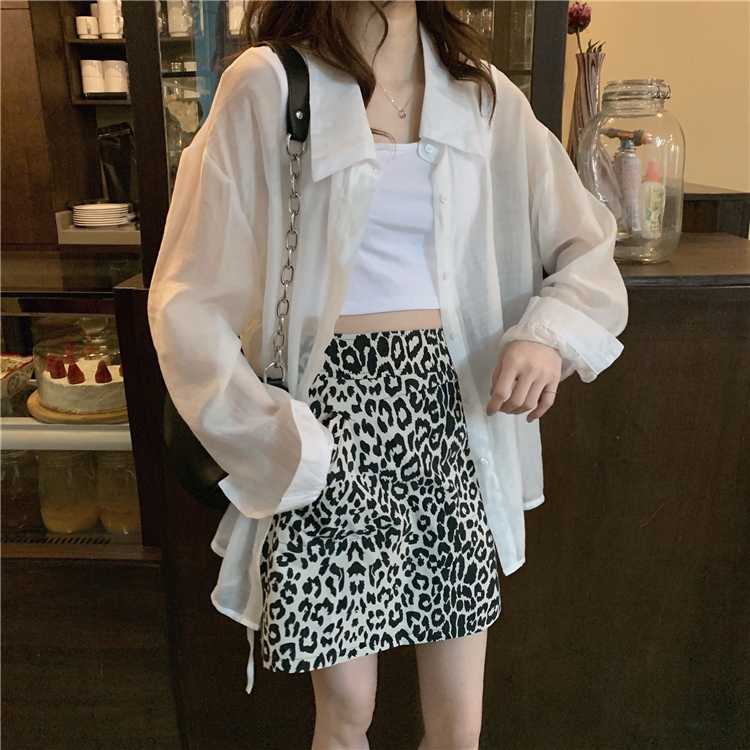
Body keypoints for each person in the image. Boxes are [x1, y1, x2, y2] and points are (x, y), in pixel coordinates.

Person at [147, 2, 629, 748]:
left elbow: (585, 245)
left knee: (459, 724)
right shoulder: (272, 85)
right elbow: (187, 298)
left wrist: (546, 337)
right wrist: (273, 440)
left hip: (448, 422)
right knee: (347, 710)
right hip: (328, 428)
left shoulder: (482, 96)